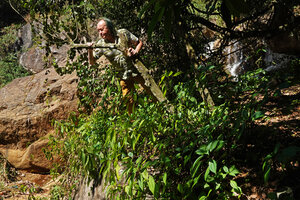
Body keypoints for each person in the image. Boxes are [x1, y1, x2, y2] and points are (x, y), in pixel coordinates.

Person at [88, 17, 157, 115]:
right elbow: (92, 62)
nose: (100, 33)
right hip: (123, 75)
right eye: (98, 31)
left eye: (102, 29)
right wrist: (89, 50)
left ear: (109, 27)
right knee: (128, 100)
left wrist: (135, 51)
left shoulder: (123, 33)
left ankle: (161, 110)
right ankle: (133, 121)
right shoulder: (101, 44)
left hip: (136, 69)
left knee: (151, 89)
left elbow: (139, 43)